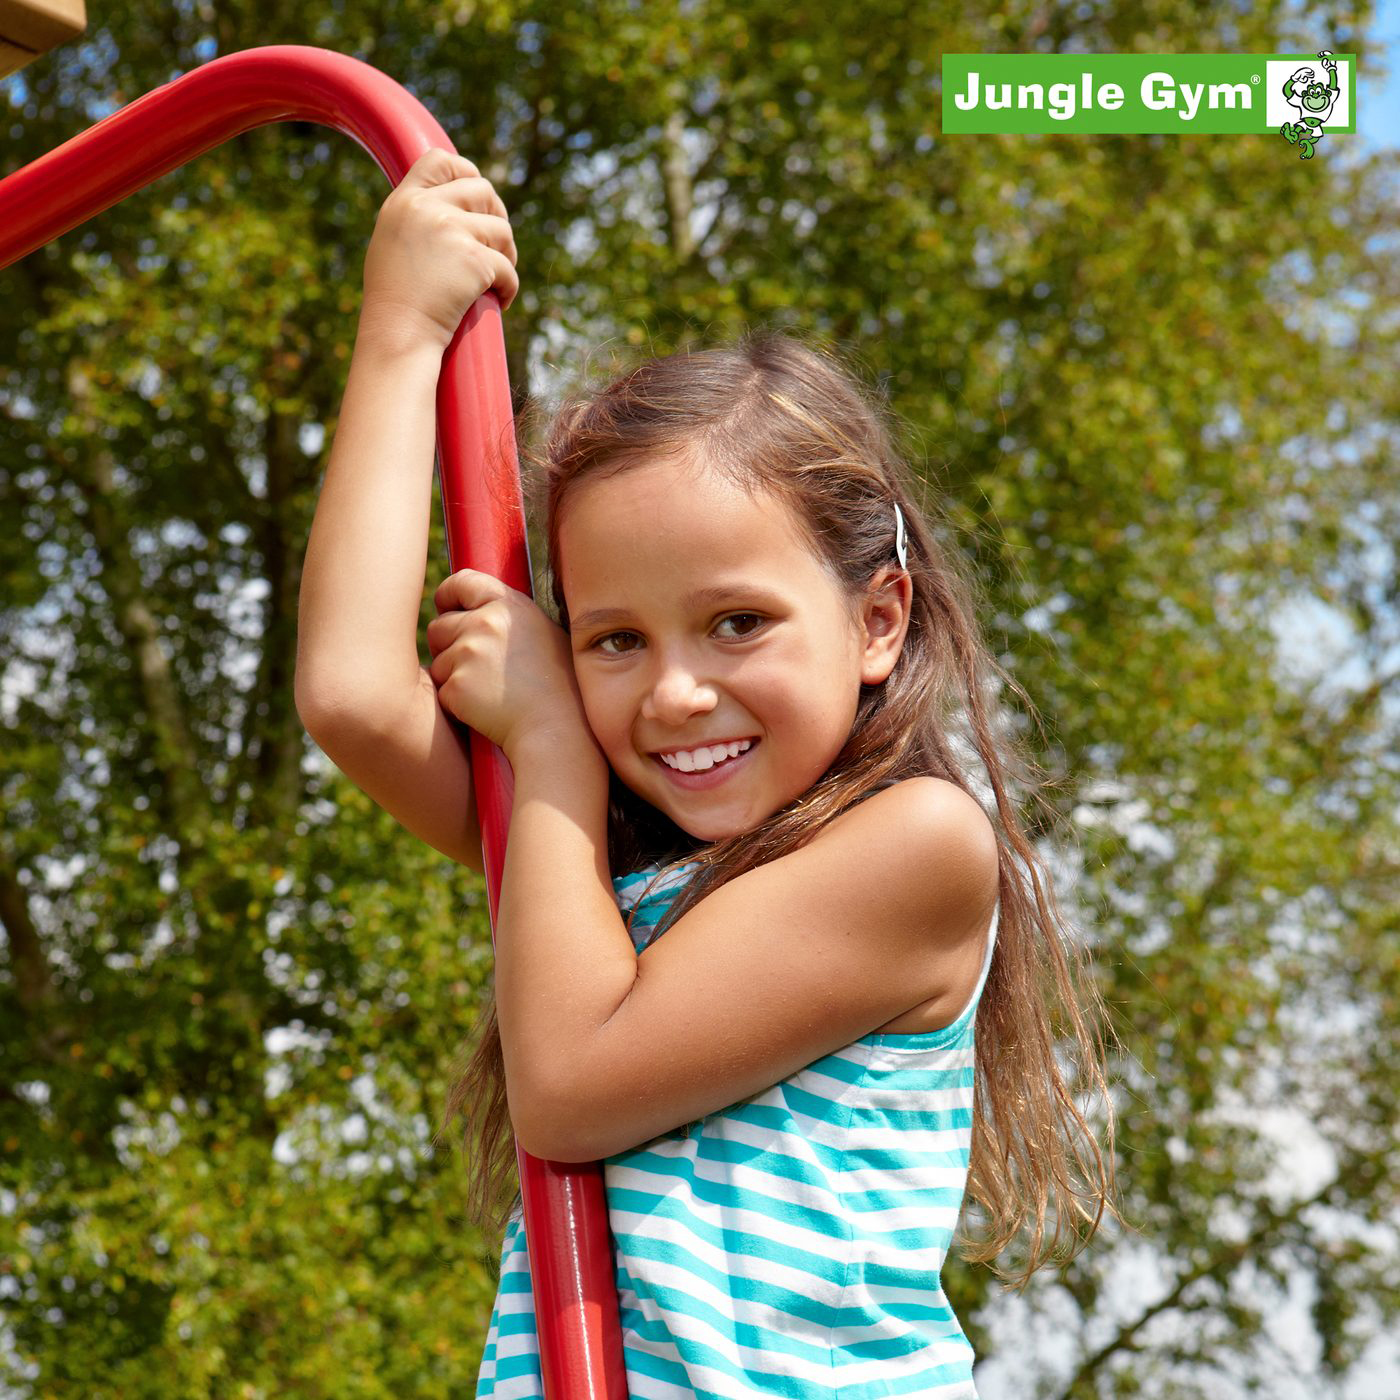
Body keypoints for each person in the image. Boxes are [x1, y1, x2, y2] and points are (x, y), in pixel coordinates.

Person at [296, 148, 1116, 1399]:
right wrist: (401, 337)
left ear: (878, 621)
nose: (675, 692)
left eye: (737, 622)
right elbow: (354, 694)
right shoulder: (605, 868)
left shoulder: (919, 846)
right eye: (612, 638)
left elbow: (568, 1088)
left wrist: (556, 746)